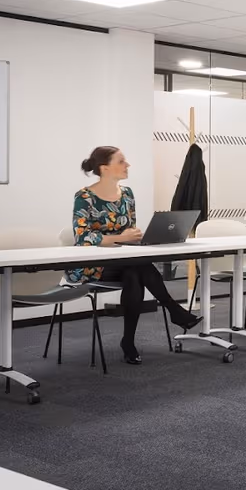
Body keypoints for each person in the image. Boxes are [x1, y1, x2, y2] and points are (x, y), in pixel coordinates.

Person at [66, 146, 201, 365]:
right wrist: (121, 237)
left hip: (124, 261)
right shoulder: (84, 197)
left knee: (133, 273)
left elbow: (129, 230)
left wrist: (136, 236)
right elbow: (82, 237)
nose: (127, 165)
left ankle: (129, 341)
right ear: (104, 168)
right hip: (92, 265)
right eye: (121, 161)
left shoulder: (127, 195)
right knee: (137, 269)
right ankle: (173, 310)